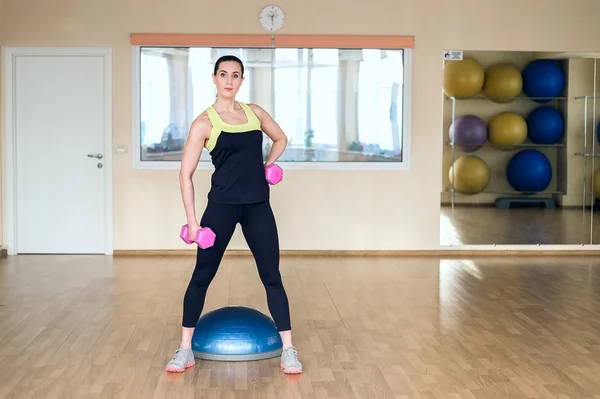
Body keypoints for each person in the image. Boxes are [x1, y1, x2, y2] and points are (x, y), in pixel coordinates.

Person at [166, 55, 302, 375]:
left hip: (257, 206)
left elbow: (281, 138)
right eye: (223, 74)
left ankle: (289, 351)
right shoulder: (205, 123)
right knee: (202, 275)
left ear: (242, 80)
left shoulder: (255, 113)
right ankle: (184, 350)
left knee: (272, 276)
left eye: (236, 75)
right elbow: (184, 174)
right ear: (213, 78)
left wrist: (267, 166)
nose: (229, 80)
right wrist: (194, 222)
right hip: (222, 207)